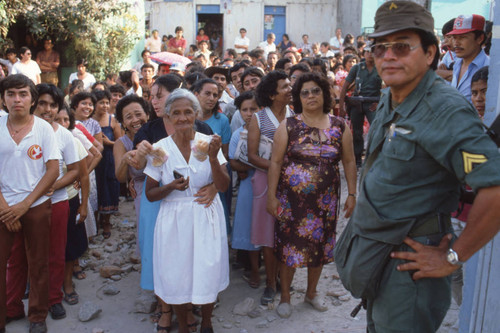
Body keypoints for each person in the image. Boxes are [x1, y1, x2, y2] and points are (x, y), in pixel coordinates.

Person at [334, 2, 500, 332]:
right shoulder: (392, 96)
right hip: (379, 254)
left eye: (402, 46)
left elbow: (495, 189)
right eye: (380, 47)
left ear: (429, 53)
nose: (388, 56)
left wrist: (454, 256)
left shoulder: (444, 110)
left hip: (410, 266)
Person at [267, 72, 356, 318]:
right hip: (291, 202)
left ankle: (312, 292)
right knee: (289, 249)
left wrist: (353, 194)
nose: (310, 96)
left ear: (325, 94)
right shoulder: (289, 125)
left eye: (315, 90)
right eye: (304, 92)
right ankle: (285, 296)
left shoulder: (340, 126)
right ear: (298, 98)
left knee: (319, 247)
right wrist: (271, 197)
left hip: (325, 202)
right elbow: (275, 163)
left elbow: (349, 161)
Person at [144, 88, 230, 333]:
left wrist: (214, 159)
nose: (182, 118)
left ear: (197, 114)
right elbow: (150, 194)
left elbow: (223, 186)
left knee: (207, 270)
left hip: (205, 216)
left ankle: (206, 322)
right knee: (177, 273)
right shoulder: (160, 149)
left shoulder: (207, 144)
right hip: (174, 219)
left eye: (188, 112)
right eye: (177, 113)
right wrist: (170, 187)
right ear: (168, 116)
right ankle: (183, 325)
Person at [134, 75, 214, 333]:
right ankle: (166, 310)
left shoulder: (204, 132)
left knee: (196, 259)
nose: (154, 100)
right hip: (162, 207)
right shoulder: (151, 131)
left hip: (197, 204)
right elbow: (145, 173)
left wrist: (213, 187)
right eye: (152, 95)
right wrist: (135, 155)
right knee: (167, 259)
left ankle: (191, 309)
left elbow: (218, 170)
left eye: (159, 94)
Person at [0, 74, 60, 333]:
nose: (17, 99)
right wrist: (4, 206)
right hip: (2, 206)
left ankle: (37, 316)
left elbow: (53, 170)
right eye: (11, 94)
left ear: (32, 99)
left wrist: (25, 204)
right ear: (3, 98)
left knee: (38, 262)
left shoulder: (43, 128)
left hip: (34, 206)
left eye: (23, 94)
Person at [248, 70, 293, 306]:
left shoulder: (295, 115)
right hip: (265, 181)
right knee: (267, 234)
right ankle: (270, 284)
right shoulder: (258, 118)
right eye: (285, 86)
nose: (290, 89)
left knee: (286, 232)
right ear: (272, 94)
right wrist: (278, 167)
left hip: (291, 183)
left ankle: (282, 279)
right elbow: (252, 156)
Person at [229, 91, 261, 288]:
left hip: (267, 185)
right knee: (251, 231)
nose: (249, 113)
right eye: (245, 110)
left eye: (253, 109)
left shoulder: (269, 130)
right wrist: (256, 165)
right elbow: (233, 163)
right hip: (248, 188)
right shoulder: (236, 134)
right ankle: (255, 272)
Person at [339, 46, 382, 167]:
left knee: (376, 130)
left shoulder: (380, 68)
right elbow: (345, 87)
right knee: (357, 133)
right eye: (367, 52)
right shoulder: (357, 68)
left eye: (373, 52)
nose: (370, 54)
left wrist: (380, 102)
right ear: (364, 53)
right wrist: (342, 106)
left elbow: (388, 87)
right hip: (357, 103)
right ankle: (357, 159)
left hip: (373, 103)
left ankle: (373, 158)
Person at [113, 94, 149, 229]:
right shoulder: (121, 144)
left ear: (147, 114)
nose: (135, 120)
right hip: (141, 193)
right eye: (128, 117)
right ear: (123, 123)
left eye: (139, 114)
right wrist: (125, 160)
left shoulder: (157, 133)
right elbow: (121, 178)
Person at [92, 90, 122, 238]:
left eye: (106, 102)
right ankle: (95, 221)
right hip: (93, 161)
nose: (104, 106)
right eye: (101, 102)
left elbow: (120, 142)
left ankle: (107, 222)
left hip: (109, 160)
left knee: (109, 188)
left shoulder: (112, 120)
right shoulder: (89, 120)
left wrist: (108, 142)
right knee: (96, 188)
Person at [448, 14, 489, 102]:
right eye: (454, 38)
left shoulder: (490, 67)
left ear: (480, 39)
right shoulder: (457, 64)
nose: (456, 43)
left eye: (463, 37)